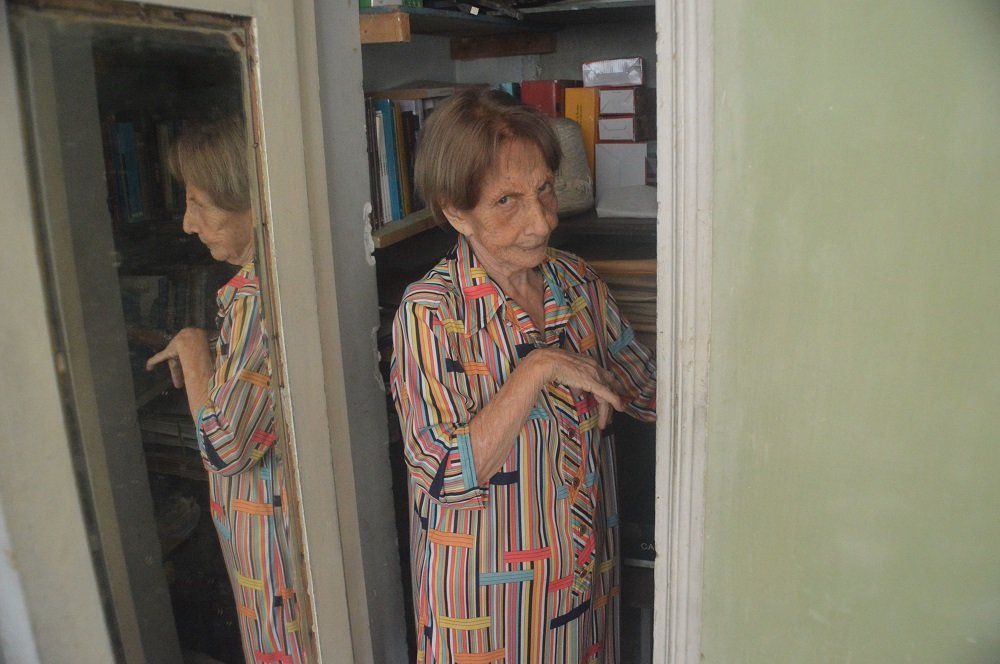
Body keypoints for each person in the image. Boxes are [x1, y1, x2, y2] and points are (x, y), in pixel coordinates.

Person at [389, 88, 657, 663]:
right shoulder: (433, 311)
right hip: (489, 609)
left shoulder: (574, 281)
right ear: (456, 211)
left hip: (583, 579)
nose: (540, 221)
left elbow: (645, 387)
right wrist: (537, 368)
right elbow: (441, 475)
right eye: (506, 201)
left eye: (544, 191)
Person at [146, 116, 305, 663]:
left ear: (254, 203)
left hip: (277, 548)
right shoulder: (279, 278)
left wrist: (194, 351)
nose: (189, 224)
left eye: (202, 206)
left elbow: (224, 446)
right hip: (279, 537)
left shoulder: (258, 301)